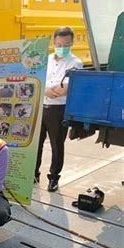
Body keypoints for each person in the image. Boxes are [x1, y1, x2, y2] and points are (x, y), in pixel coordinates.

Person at [35, 27, 83, 192]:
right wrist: (48, 89)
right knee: (36, 143)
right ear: (53, 42)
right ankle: (34, 173)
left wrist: (45, 89)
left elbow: (65, 89)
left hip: (58, 109)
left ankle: (53, 178)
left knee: (57, 145)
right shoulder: (45, 59)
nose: (62, 47)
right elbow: (35, 80)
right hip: (40, 107)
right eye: (59, 44)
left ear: (72, 43)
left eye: (66, 44)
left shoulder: (75, 63)